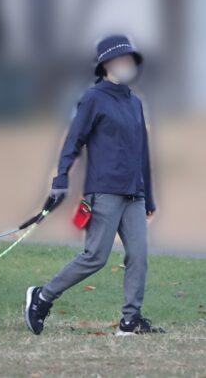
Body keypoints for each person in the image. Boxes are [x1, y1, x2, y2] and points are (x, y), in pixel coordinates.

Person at [23, 35, 163, 336]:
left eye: (130, 60)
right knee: (95, 257)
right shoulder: (93, 98)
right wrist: (61, 179)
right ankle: (42, 297)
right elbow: (73, 141)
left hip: (134, 194)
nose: (128, 65)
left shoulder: (135, 103)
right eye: (123, 59)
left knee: (138, 255)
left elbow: (143, 151)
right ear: (107, 64)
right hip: (104, 191)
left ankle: (130, 320)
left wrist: (148, 195)